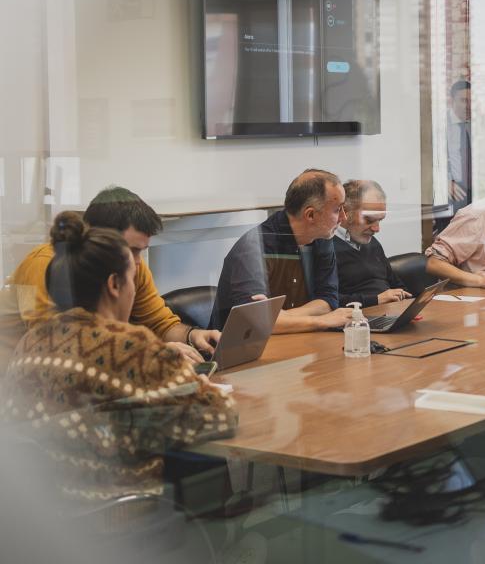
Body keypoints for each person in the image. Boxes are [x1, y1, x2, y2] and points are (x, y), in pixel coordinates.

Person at [1, 212, 237, 509]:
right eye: (131, 278)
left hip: (41, 523)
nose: (135, 288)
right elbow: (221, 416)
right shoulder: (130, 348)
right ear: (114, 284)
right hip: (117, 526)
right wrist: (198, 383)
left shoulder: (29, 341)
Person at [9, 186, 220, 364]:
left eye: (141, 250)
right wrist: (149, 353)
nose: (137, 262)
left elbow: (160, 324)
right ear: (97, 237)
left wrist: (194, 337)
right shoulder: (41, 265)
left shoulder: (131, 265)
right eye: (131, 249)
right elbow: (53, 345)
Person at [210, 169, 352, 333]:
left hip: (295, 340)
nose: (343, 218)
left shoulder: (321, 238)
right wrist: (320, 321)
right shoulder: (254, 247)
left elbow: (328, 300)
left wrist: (281, 318)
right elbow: (254, 321)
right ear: (311, 215)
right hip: (236, 349)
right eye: (337, 210)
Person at [333, 179, 412, 307]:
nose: (377, 229)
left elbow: (396, 284)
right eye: (369, 220)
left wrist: (406, 301)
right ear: (345, 213)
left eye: (380, 220)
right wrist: (376, 299)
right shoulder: (327, 247)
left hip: (387, 312)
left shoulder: (372, 242)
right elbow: (327, 301)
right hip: (357, 319)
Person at [433, 80, 473, 236]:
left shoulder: (475, 124)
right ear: (451, 100)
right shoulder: (439, 125)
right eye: (463, 100)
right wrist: (444, 181)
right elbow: (428, 159)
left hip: (473, 191)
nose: (468, 105)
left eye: (470, 101)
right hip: (451, 191)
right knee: (450, 238)